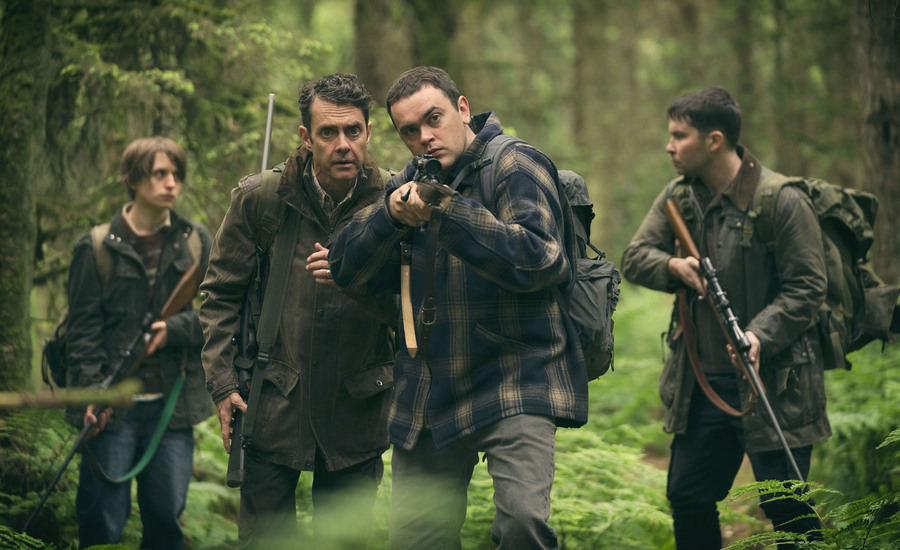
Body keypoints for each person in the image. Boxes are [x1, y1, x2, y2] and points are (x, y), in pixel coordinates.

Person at [328, 66, 589, 549]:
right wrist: (388, 216)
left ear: (463, 109)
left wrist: (445, 210)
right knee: (416, 541)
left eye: (434, 119)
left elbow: (542, 261)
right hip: (430, 389)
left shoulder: (515, 165)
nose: (425, 137)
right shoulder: (409, 182)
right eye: (409, 130)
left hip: (516, 378)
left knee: (523, 526)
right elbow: (346, 267)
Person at [621, 87, 830, 549]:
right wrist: (673, 267)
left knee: (787, 509)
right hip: (705, 389)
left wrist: (760, 335)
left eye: (679, 136)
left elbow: (809, 287)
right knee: (689, 496)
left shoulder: (782, 200)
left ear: (714, 140)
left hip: (776, 384)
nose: (669, 146)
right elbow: (635, 257)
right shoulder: (678, 197)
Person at [199, 73, 396, 548]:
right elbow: (220, 296)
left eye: (353, 131)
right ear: (306, 138)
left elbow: (412, 304)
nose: (343, 144)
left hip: (357, 409)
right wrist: (224, 385)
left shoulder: (394, 200)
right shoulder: (261, 199)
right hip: (272, 404)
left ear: (369, 132)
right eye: (329, 133)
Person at [65, 137, 213, 549]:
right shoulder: (95, 247)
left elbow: (224, 314)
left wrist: (175, 330)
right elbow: (82, 334)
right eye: (159, 174)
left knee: (166, 520)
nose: (171, 183)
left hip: (172, 407)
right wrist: (92, 397)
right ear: (133, 179)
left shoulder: (196, 240)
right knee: (101, 522)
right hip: (113, 406)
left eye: (176, 174)